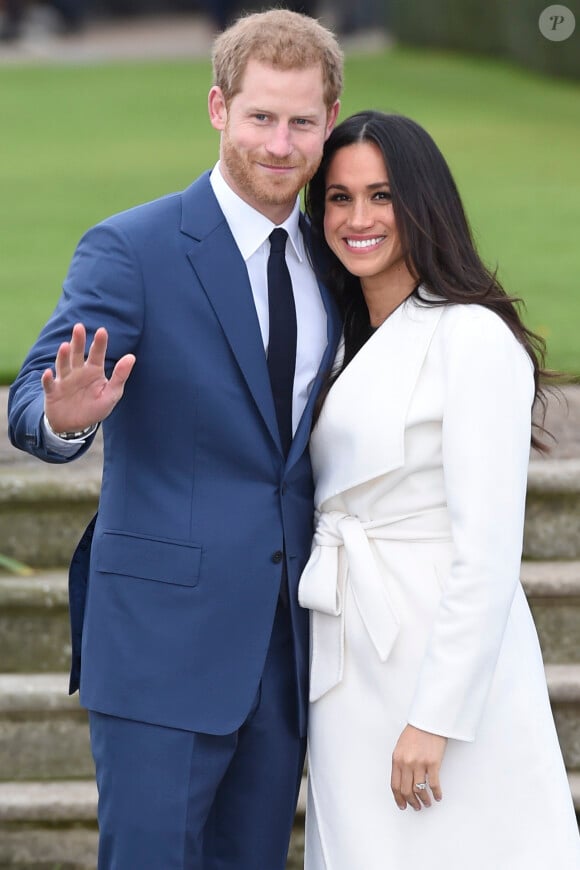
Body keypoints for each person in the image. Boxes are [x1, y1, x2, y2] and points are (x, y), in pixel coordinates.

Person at [8, 9, 342, 868]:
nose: (280, 141)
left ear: (329, 123)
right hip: (160, 648)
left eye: (302, 120)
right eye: (261, 115)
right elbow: (30, 399)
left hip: (287, 653)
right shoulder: (134, 247)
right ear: (218, 108)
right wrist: (61, 418)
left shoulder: (338, 261)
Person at [298, 110, 580, 869]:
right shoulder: (334, 340)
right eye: (338, 197)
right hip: (348, 655)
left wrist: (436, 717)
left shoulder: (472, 338)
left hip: (440, 664)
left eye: (382, 196)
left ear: (424, 203)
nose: (358, 219)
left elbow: (487, 553)